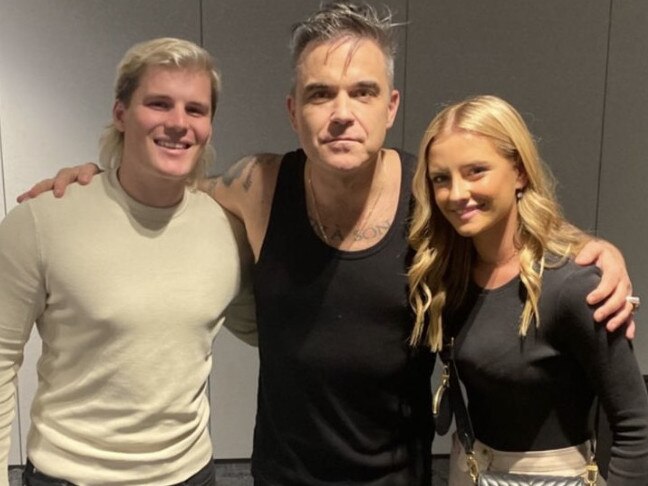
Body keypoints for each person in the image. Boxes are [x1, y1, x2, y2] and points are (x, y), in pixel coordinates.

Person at [15, 3, 638, 484]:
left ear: (390, 105)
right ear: (294, 111)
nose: (342, 112)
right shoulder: (256, 187)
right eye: (320, 94)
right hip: (279, 475)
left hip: (400, 477)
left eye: (362, 92)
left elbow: (511, 225)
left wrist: (594, 250)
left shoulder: (431, 197)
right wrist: (95, 178)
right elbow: (163, 178)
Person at [0, 38, 256, 486]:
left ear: (210, 125)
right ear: (121, 114)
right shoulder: (42, 220)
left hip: (190, 475)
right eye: (159, 104)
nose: (178, 123)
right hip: (69, 477)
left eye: (195, 110)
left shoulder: (227, 229)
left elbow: (265, 329)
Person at [408, 95, 648, 485]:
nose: (456, 193)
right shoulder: (450, 278)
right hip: (469, 469)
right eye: (441, 178)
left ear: (519, 172)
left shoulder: (573, 286)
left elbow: (634, 424)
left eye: (476, 171)